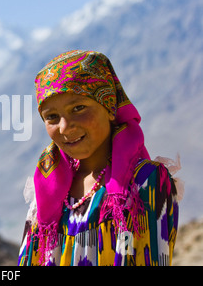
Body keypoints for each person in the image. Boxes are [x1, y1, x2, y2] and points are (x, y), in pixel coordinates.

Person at [18, 50, 182, 266]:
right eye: (52, 117)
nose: (65, 127)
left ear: (109, 106)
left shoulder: (145, 182)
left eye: (78, 108)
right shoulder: (46, 192)